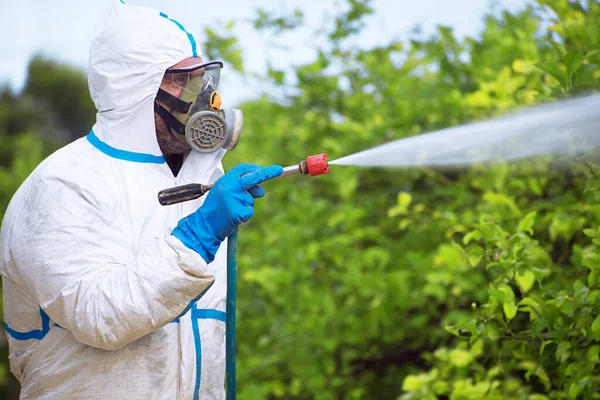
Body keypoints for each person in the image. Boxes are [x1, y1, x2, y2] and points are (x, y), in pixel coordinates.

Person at [0, 2, 281, 399]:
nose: (205, 97)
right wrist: (199, 234)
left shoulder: (198, 180)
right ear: (137, 88)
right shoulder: (61, 186)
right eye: (184, 82)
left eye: (203, 79)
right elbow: (101, 316)